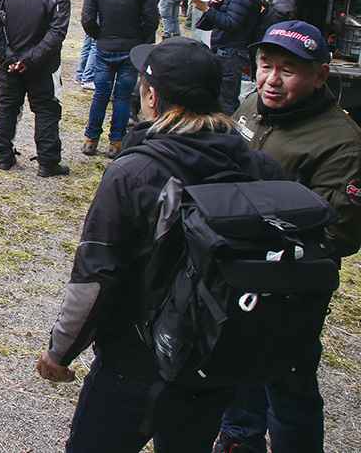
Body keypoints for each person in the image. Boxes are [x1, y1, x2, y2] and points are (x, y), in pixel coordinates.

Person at [39, 38, 283, 452]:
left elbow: (96, 275)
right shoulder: (258, 165)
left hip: (135, 358)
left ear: (152, 96)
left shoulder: (134, 172)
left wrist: (60, 351)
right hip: (216, 354)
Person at [215, 21, 361, 452]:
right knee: (236, 364)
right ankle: (239, 440)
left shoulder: (342, 144)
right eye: (266, 65)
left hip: (291, 286)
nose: (271, 80)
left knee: (288, 383)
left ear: (320, 75)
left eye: (288, 70)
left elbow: (339, 232)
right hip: (237, 270)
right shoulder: (252, 108)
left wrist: (252, 224)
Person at [0, 0, 70, 176]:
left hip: (11, 64)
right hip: (43, 65)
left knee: (7, 107)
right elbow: (57, 34)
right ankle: (47, 162)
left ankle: (3, 156)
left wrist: (8, 57)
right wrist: (28, 59)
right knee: (47, 111)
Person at [80, 0, 159, 159]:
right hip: (130, 49)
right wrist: (139, 38)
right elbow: (152, 21)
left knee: (100, 95)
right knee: (123, 97)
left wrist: (99, 35)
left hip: (105, 47)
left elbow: (87, 19)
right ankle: (116, 143)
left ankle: (90, 140)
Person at [192, 0, 264, 113]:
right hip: (226, 50)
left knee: (226, 100)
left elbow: (232, 23)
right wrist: (215, 3)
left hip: (232, 51)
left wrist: (206, 9)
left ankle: (227, 135)